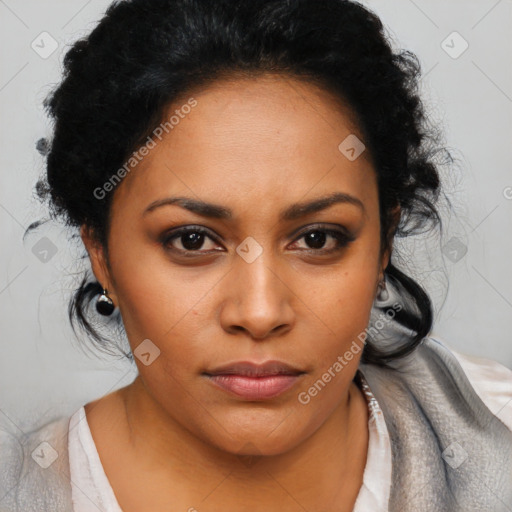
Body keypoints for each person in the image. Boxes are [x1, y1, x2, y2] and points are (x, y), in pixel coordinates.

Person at [1, 0, 511, 511]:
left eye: (317, 239)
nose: (261, 313)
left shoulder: (497, 433)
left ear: (384, 244)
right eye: (193, 240)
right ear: (102, 256)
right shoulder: (21, 489)